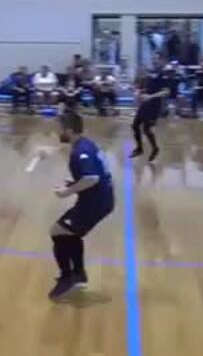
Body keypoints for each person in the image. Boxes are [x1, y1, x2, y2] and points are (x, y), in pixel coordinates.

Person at [49, 112, 114, 300]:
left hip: (95, 203)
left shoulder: (80, 151)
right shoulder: (85, 144)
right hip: (97, 200)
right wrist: (71, 184)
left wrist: (66, 192)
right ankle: (78, 275)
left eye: (59, 129)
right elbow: (95, 175)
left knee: (56, 231)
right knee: (69, 233)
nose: (57, 132)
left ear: (69, 130)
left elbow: (92, 178)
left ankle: (67, 278)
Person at [130, 68, 165, 161]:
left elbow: (165, 92)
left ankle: (155, 148)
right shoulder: (146, 79)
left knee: (146, 129)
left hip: (154, 107)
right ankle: (139, 148)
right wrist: (139, 94)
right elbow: (142, 91)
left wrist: (150, 96)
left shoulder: (161, 77)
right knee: (135, 125)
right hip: (145, 105)